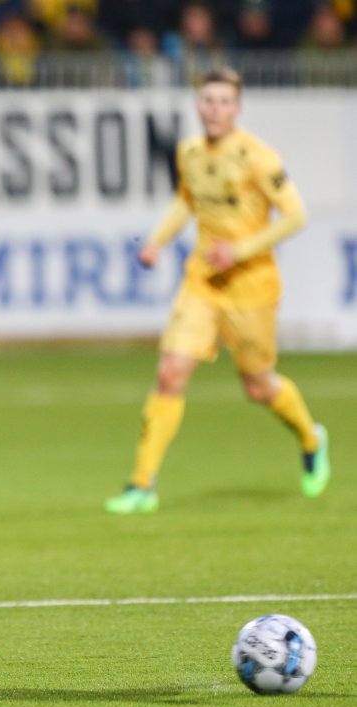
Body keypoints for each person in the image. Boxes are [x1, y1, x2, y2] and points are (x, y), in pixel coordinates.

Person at [105, 67, 330, 514]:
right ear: (198, 105)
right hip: (202, 282)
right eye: (208, 100)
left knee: (259, 387)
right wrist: (156, 241)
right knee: (170, 372)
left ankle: (311, 437)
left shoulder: (257, 157)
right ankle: (141, 485)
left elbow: (295, 215)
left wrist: (242, 249)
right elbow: (186, 200)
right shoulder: (188, 152)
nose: (215, 109)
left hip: (251, 287)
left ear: (238, 108)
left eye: (224, 102)